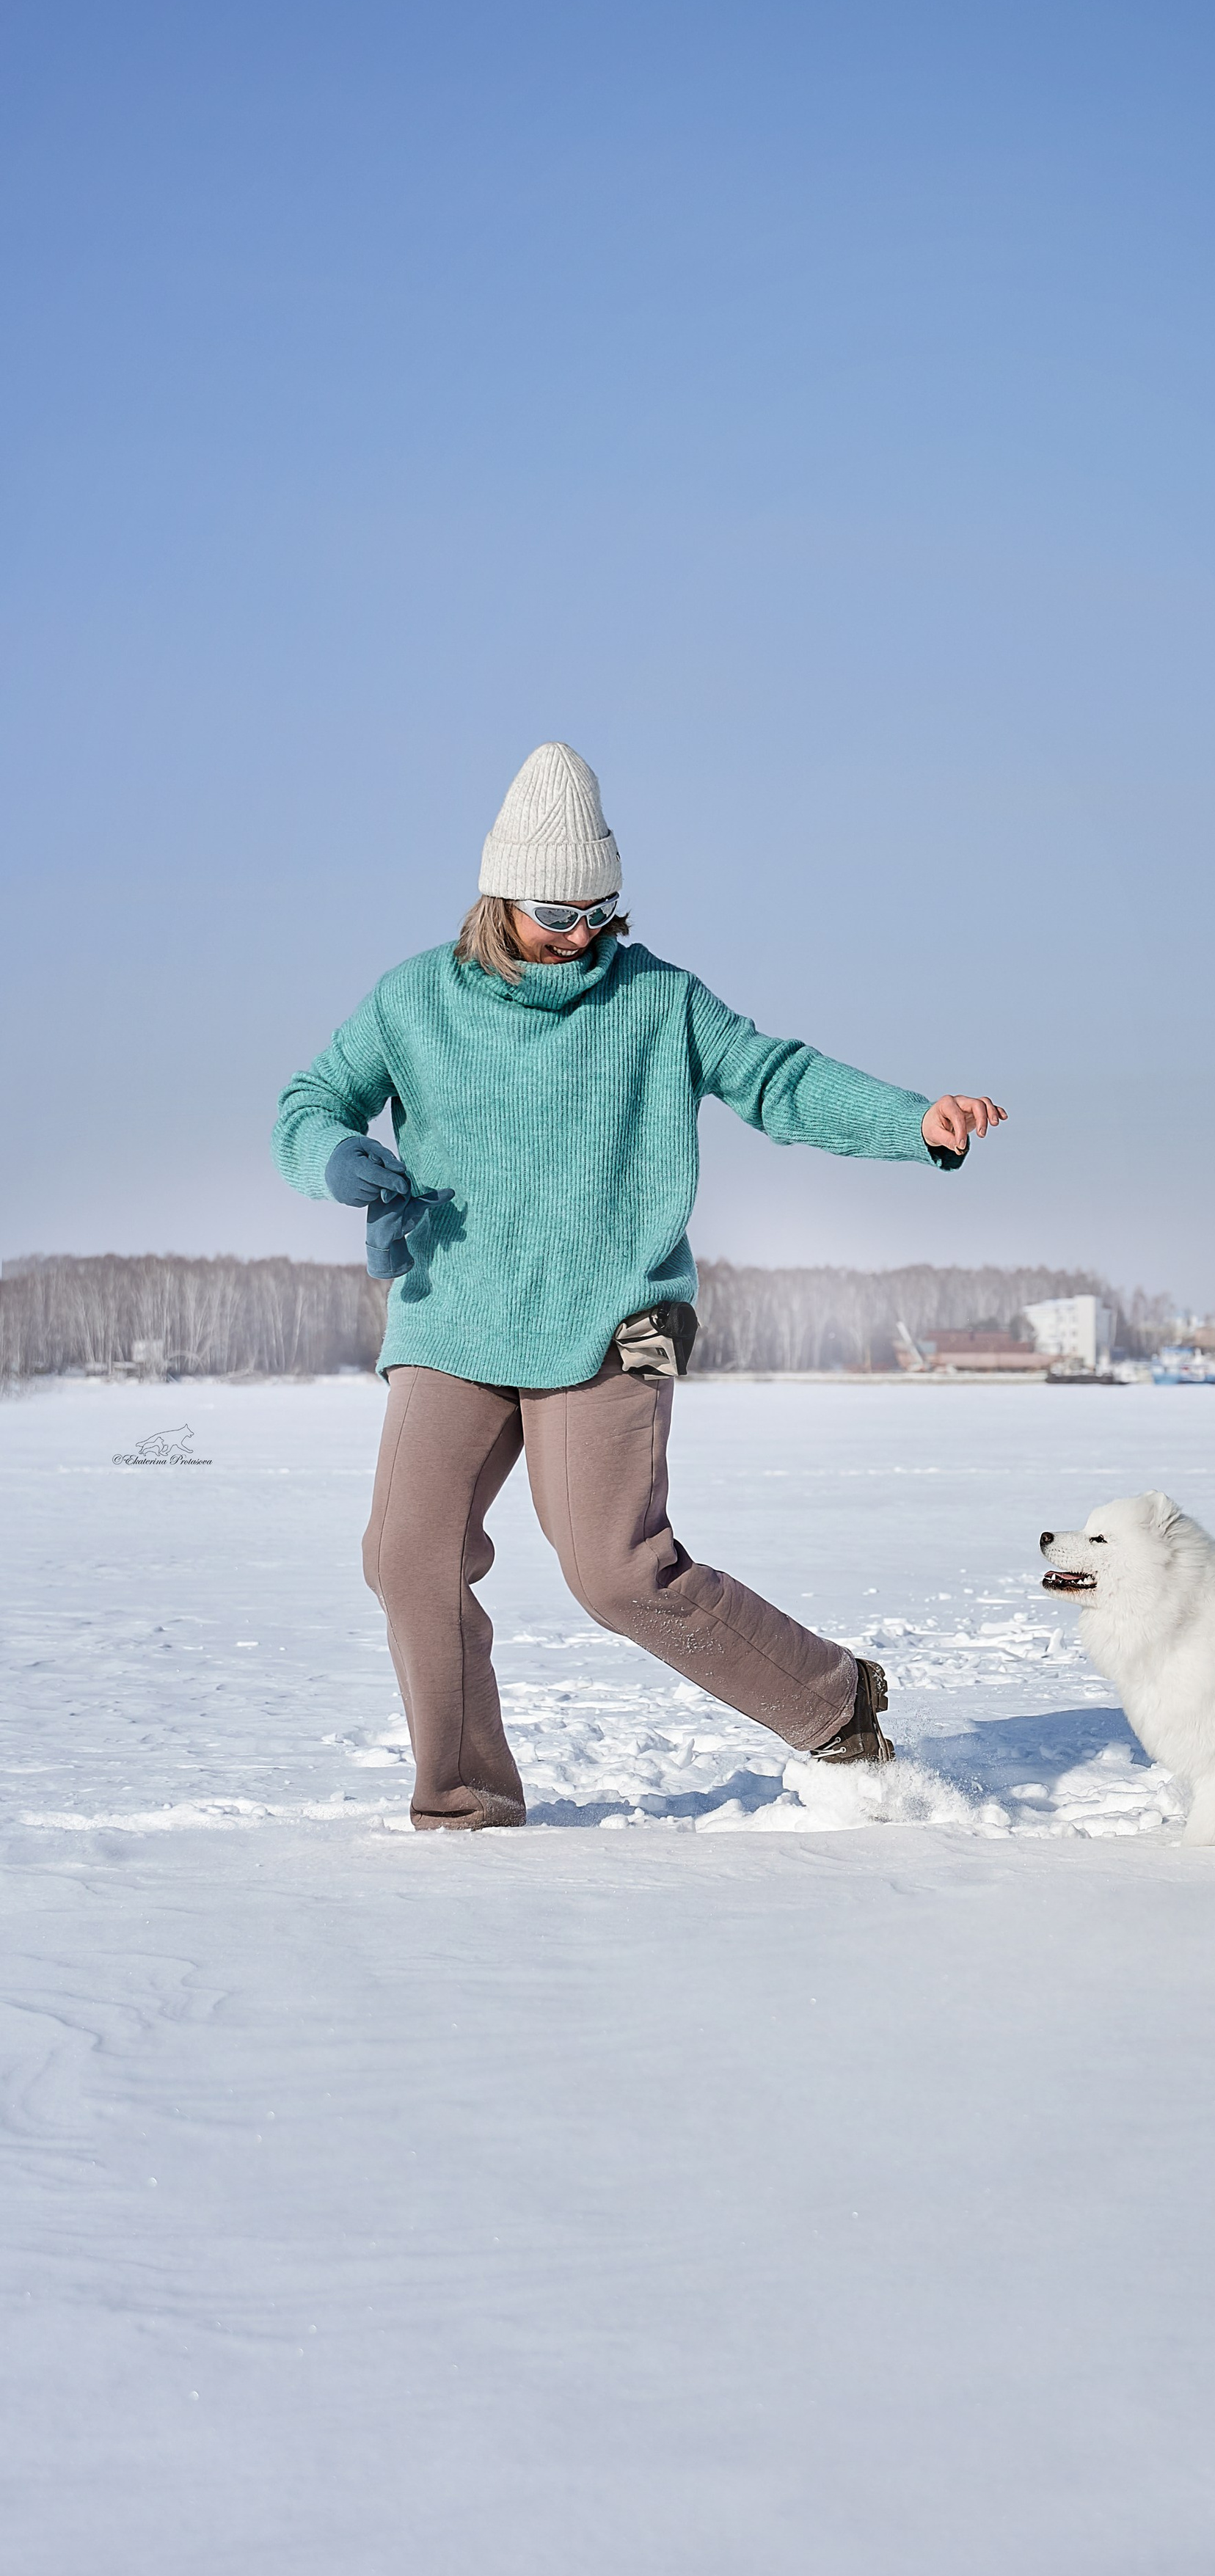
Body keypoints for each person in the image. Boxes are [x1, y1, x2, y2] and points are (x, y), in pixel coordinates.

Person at [274, 741, 1005, 1829]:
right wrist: (329, 1154)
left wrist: (912, 1122)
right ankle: (464, 1805)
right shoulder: (414, 1000)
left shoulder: (657, 999)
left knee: (617, 1573)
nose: (583, 936)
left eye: (600, 912)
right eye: (557, 913)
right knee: (406, 1556)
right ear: (497, 897)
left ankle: (834, 1700)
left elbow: (777, 1079)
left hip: (613, 1317)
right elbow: (312, 1099)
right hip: (454, 1316)